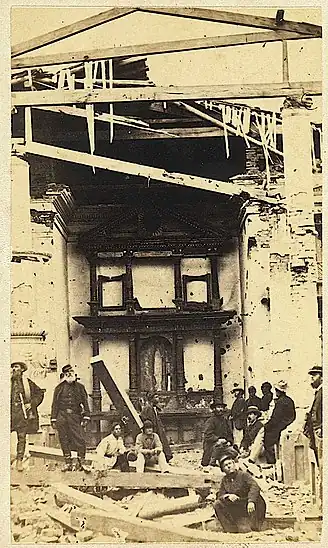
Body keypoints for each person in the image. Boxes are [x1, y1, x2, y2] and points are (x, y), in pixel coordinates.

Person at [51, 364, 91, 473]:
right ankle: (68, 462)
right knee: (64, 439)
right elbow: (55, 404)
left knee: (80, 438)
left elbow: (85, 403)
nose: (69, 374)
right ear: (64, 374)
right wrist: (53, 418)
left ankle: (82, 461)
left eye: (71, 371)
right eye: (67, 372)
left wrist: (86, 416)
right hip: (62, 417)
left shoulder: (80, 387)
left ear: (74, 373)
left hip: (75, 416)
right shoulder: (59, 388)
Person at [213, 454, 266, 533]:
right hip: (239, 506)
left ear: (234, 464)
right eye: (225, 466)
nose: (228, 466)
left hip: (252, 506)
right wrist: (227, 496)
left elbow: (255, 487)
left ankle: (256, 529)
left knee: (256, 500)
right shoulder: (225, 480)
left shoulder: (243, 475)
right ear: (223, 470)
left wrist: (251, 501)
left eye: (229, 464)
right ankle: (231, 530)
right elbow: (220, 495)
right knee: (217, 504)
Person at [11, 361, 44, 471]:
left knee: (22, 438)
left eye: (16, 367)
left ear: (21, 369)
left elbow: (40, 393)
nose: (14, 369)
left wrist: (31, 404)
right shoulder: (7, 382)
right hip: (9, 414)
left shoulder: (27, 383)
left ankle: (19, 461)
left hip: (22, 415)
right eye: (13, 367)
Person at [263, 380, 296, 465]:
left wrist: (266, 426)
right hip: (287, 425)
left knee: (267, 438)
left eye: (276, 390)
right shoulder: (289, 400)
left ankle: (271, 463)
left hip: (280, 427)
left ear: (278, 391)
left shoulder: (280, 402)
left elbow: (275, 419)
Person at [303, 365, 322, 506]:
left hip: (320, 433)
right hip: (315, 433)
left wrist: (320, 427)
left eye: (314, 376)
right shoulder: (317, 393)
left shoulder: (323, 392)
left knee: (322, 463)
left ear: (322, 376)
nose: (311, 379)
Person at [140, 392, 172, 462]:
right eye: (156, 397)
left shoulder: (154, 407)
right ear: (152, 399)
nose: (158, 398)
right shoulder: (147, 407)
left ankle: (165, 457)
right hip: (153, 429)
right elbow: (143, 417)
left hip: (158, 429)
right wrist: (150, 427)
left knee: (161, 442)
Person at [201, 400, 234, 467]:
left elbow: (229, 434)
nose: (220, 409)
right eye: (218, 407)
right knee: (218, 446)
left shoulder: (225, 420)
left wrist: (229, 441)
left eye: (222, 407)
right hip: (212, 445)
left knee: (234, 453)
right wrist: (218, 439)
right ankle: (212, 462)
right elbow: (207, 436)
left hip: (224, 444)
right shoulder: (210, 421)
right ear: (214, 409)